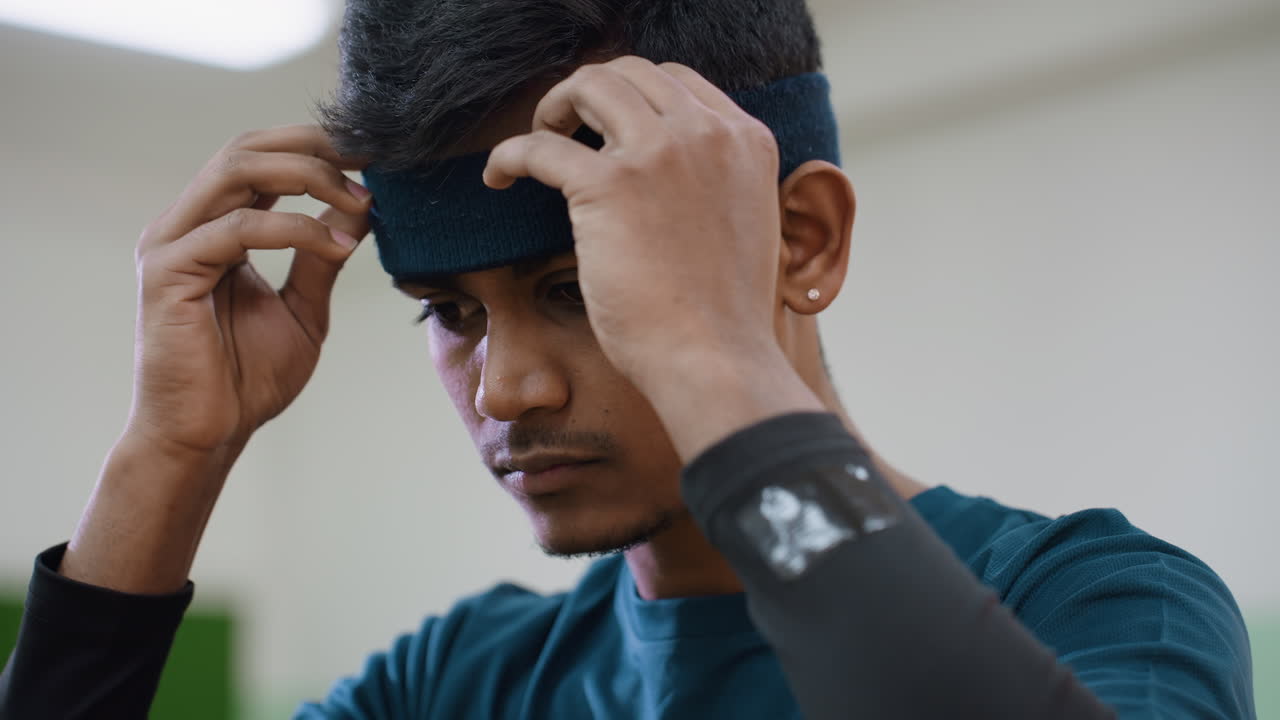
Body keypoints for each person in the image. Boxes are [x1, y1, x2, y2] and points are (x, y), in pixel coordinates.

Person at [0, 1, 1256, 718]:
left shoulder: (1094, 603)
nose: (506, 390)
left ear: (798, 239)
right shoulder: (457, 685)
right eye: (451, 313)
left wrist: (704, 348)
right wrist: (167, 461)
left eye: (576, 288)